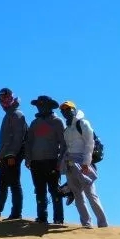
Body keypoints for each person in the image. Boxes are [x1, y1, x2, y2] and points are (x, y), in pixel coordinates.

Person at [59, 101, 108, 228]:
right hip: (69, 163)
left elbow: (89, 144)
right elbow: (66, 148)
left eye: (68, 109)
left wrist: (86, 163)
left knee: (91, 194)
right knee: (77, 194)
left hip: (83, 163)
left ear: (74, 109)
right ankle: (86, 223)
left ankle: (102, 224)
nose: (65, 112)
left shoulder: (83, 123)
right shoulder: (67, 128)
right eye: (63, 110)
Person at [0, 87, 28, 220]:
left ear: (10, 97)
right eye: (0, 99)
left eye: (3, 98)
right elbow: (4, 141)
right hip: (5, 155)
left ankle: (16, 213)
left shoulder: (17, 114)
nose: (1, 101)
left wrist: (11, 155)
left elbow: (18, 138)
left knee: (14, 183)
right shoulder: (8, 115)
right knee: (2, 183)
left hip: (13, 156)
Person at [25, 95, 67, 225]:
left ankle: (58, 219)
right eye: (38, 105)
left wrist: (60, 161)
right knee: (39, 191)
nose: (39, 107)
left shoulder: (57, 122)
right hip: (36, 162)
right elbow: (29, 142)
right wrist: (28, 158)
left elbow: (64, 144)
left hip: (52, 161)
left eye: (42, 105)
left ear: (49, 106)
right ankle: (42, 217)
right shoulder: (34, 123)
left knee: (55, 191)